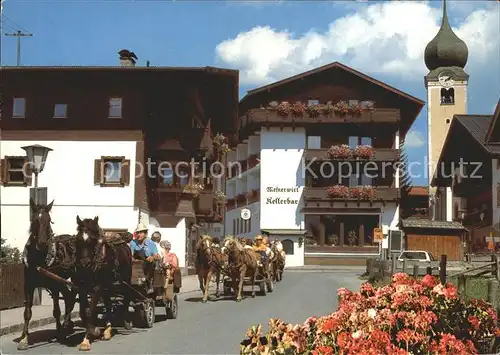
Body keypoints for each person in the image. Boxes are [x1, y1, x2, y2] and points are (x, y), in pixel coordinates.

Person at [130, 223, 159, 293]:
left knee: (150, 264)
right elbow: (131, 255)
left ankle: (148, 283)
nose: (138, 234)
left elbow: (156, 255)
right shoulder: (133, 243)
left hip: (147, 266)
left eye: (140, 233)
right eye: (137, 233)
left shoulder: (151, 244)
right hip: (136, 265)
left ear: (145, 234)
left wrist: (152, 257)